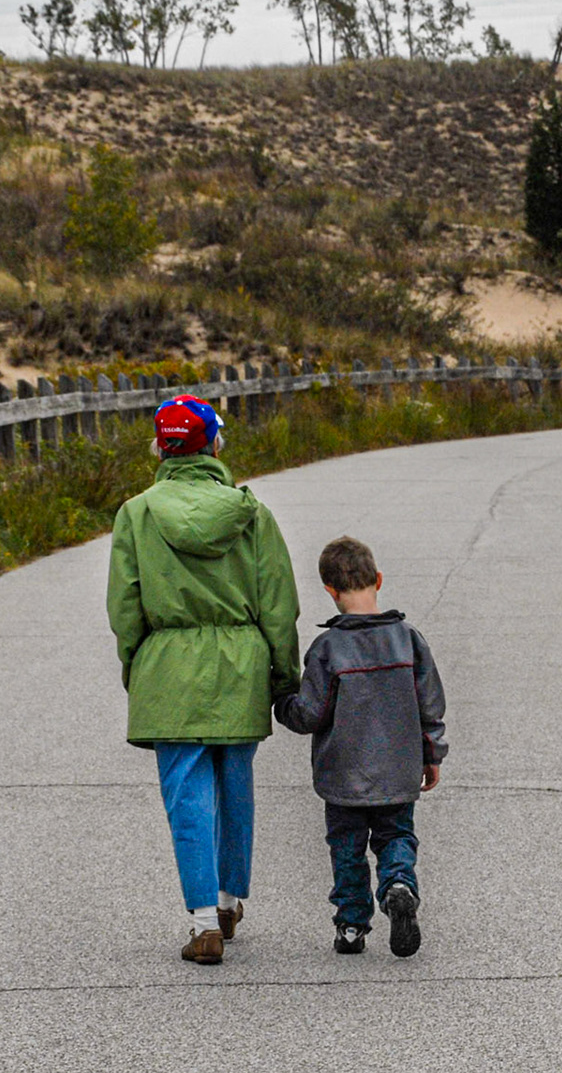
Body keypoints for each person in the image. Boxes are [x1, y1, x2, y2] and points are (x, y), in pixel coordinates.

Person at [107, 394, 300, 965]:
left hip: (169, 666)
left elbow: (125, 606)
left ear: (161, 449)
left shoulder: (137, 514)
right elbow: (277, 605)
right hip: (239, 664)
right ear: (215, 445)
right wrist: (284, 677)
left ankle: (199, 924)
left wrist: (136, 667)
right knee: (234, 786)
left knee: (186, 795)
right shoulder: (251, 514)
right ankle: (228, 902)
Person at [274, 536, 447, 957]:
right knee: (396, 834)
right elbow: (430, 704)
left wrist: (282, 703)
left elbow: (310, 714)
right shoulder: (409, 640)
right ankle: (399, 884)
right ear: (379, 580)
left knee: (347, 848)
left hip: (344, 776)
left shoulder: (328, 649)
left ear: (329, 591)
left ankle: (351, 925)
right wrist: (431, 754)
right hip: (398, 770)